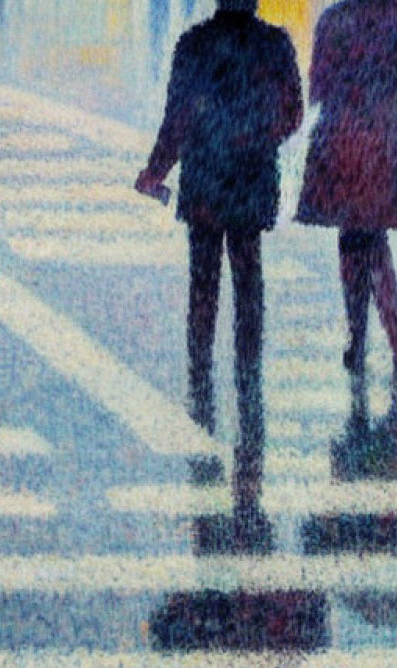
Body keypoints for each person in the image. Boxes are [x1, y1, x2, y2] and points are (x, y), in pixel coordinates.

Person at [135, 0, 302, 541]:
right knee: (247, 269)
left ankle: (201, 364)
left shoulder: (194, 45)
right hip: (250, 174)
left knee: (203, 271)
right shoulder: (274, 45)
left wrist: (157, 169)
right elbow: (292, 113)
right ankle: (247, 364)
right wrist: (253, 138)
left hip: (206, 174)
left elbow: (177, 118)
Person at [295, 0, 397, 376]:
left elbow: (317, 87)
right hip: (383, 140)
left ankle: (362, 337)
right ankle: (395, 342)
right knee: (373, 240)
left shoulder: (335, 20)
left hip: (340, 139)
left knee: (352, 238)